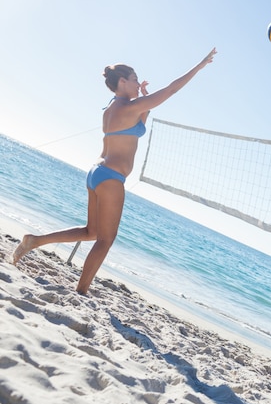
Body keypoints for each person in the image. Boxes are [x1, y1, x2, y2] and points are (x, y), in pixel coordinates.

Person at [12, 48, 218, 294]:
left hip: (97, 173)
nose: (137, 82)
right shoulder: (127, 107)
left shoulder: (113, 109)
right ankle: (81, 292)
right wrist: (200, 65)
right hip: (110, 178)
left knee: (92, 232)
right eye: (134, 79)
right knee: (105, 239)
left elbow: (138, 125)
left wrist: (145, 100)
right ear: (122, 82)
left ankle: (34, 241)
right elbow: (172, 89)